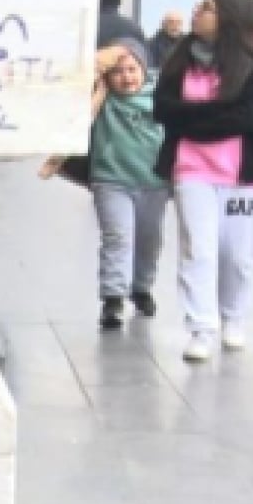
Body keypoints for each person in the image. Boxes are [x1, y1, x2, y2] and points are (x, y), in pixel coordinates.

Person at [152, 0, 253, 361]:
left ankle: (234, 317)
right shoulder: (179, 61)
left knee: (238, 256)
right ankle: (200, 328)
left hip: (245, 174)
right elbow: (163, 110)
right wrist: (216, 114)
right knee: (198, 249)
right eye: (200, 6)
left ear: (229, 17)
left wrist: (193, 117)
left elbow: (248, 118)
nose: (198, 12)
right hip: (191, 169)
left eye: (207, 8)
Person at [88, 39, 169, 329]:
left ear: (144, 70)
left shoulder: (161, 96)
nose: (127, 77)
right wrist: (99, 85)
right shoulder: (103, 100)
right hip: (111, 180)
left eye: (133, 69)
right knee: (117, 237)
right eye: (118, 71)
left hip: (154, 182)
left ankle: (141, 286)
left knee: (149, 239)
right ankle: (113, 297)